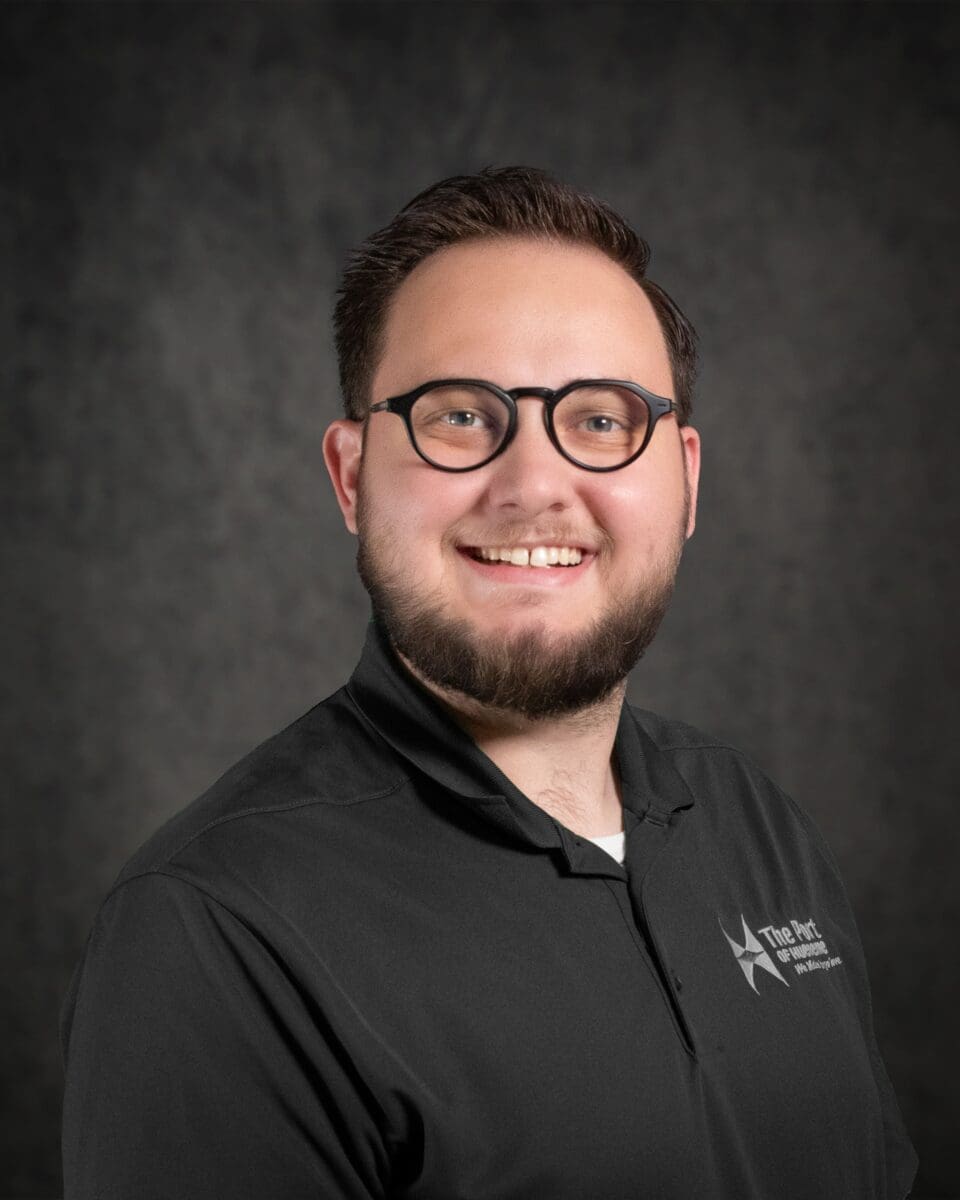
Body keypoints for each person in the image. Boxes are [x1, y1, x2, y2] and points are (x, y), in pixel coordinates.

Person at [61, 167, 917, 1199]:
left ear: (686, 480)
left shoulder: (760, 826)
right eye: (460, 416)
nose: (533, 485)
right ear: (350, 476)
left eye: (603, 420)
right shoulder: (216, 929)